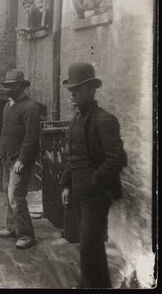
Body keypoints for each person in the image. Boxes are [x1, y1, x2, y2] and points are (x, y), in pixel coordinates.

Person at [60, 62, 127, 289]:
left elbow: (117, 159)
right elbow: (74, 156)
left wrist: (93, 182)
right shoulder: (77, 121)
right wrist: (67, 184)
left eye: (77, 90)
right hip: (80, 193)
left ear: (91, 90)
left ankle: (89, 285)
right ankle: (95, 285)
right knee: (89, 246)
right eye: (71, 91)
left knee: (90, 245)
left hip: (96, 196)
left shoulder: (104, 120)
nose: (72, 95)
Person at [0, 69, 43, 249]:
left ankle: (26, 235)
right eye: (7, 86)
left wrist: (22, 160)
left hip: (20, 160)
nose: (8, 89)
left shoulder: (31, 108)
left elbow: (31, 138)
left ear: (21, 86)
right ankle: (13, 227)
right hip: (7, 156)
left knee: (16, 195)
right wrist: (0, 151)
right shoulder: (8, 107)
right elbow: (4, 132)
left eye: (12, 86)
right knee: (8, 193)